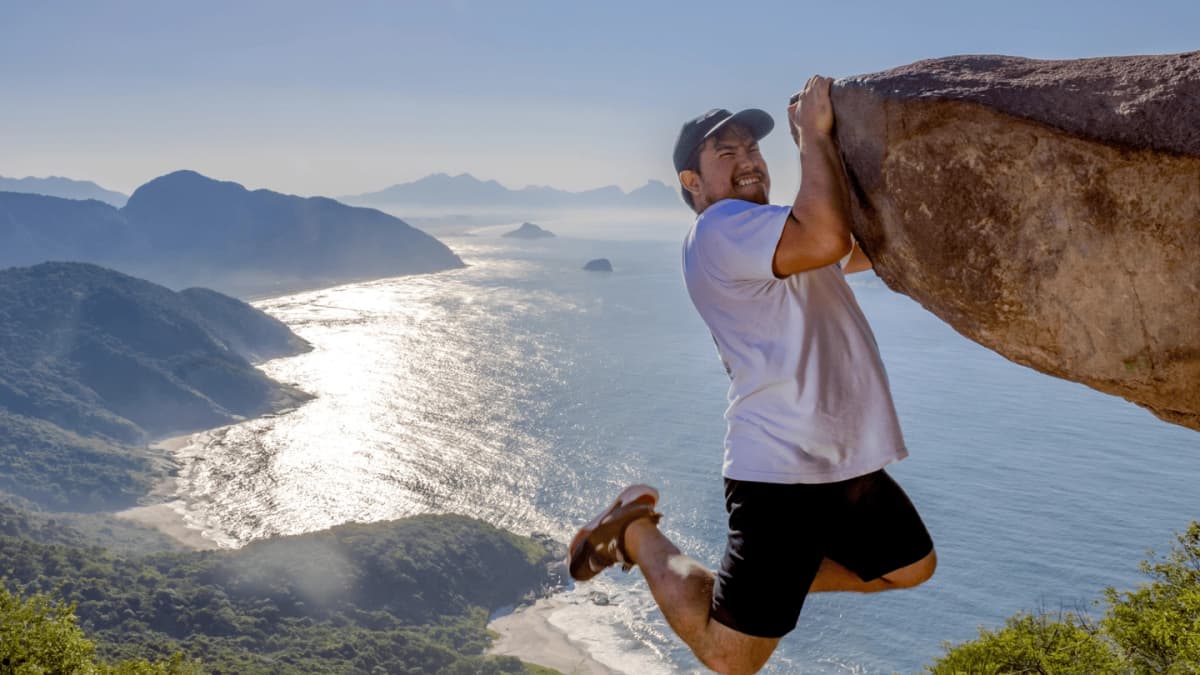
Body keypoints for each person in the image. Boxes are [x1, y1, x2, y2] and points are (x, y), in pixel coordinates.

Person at [567, 76, 937, 675]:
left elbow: (856, 248)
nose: (748, 162)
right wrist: (812, 138)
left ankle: (757, 590)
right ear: (692, 182)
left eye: (754, 149)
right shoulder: (721, 229)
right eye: (726, 153)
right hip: (781, 472)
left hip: (841, 459)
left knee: (909, 567)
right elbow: (826, 236)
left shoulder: (768, 234)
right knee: (731, 658)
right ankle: (634, 534)